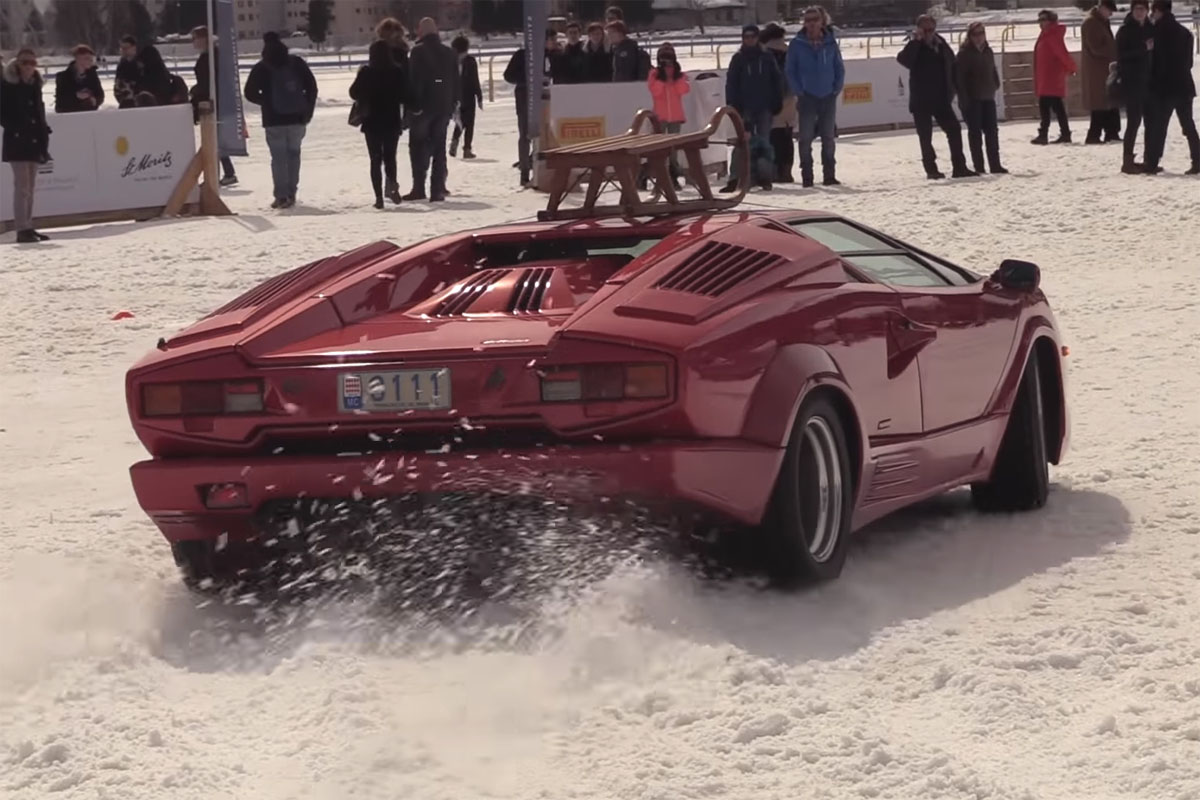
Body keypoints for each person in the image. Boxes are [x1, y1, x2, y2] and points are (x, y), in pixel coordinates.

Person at [244, 32, 318, 209]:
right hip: (297, 118)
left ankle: (281, 196)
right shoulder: (296, 63)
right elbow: (312, 87)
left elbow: (249, 92)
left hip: (273, 119)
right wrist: (307, 110)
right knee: (294, 155)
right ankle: (292, 192)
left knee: (278, 158)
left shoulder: (262, 67)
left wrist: (265, 101)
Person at [897, 15, 973, 179]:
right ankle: (931, 170)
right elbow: (904, 60)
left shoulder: (941, 44)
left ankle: (959, 167)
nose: (929, 33)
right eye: (925, 30)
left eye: (931, 29)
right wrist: (916, 41)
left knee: (954, 129)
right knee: (925, 136)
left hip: (941, 99)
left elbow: (951, 64)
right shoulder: (915, 46)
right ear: (918, 29)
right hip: (921, 101)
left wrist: (955, 88)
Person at [787, 7, 845, 187]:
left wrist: (836, 87)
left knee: (828, 137)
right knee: (805, 138)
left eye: (815, 20)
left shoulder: (830, 42)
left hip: (828, 95)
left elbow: (839, 67)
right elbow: (790, 70)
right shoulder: (797, 44)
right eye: (808, 20)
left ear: (822, 21)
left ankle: (829, 175)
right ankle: (807, 176)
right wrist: (799, 90)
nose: (811, 24)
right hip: (807, 97)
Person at [723, 24, 783, 192]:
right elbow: (731, 84)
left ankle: (765, 178)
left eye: (753, 36)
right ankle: (736, 178)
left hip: (764, 107)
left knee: (764, 143)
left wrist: (777, 102)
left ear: (757, 38)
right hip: (744, 108)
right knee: (743, 143)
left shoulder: (767, 57)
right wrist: (733, 106)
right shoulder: (738, 59)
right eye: (746, 37)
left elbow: (777, 81)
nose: (750, 39)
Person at [1142, 0, 1200, 175]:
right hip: (1184, 85)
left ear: (1158, 11)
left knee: (1159, 127)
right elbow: (1189, 62)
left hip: (1163, 87)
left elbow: (1154, 62)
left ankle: (1152, 162)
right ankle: (1197, 160)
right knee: (1188, 125)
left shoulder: (1155, 33)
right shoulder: (1185, 33)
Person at [405, 17, 459, 202]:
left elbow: (414, 80)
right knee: (439, 147)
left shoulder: (417, 52)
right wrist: (453, 103)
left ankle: (418, 187)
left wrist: (414, 105)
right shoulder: (450, 53)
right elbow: (455, 80)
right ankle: (437, 189)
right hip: (443, 106)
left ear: (421, 32)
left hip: (423, 107)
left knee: (418, 147)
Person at [1, 49, 52, 243]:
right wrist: (16, 127)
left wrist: (43, 132)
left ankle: (28, 225)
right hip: (17, 140)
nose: (29, 66)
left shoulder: (35, 85)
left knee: (30, 187)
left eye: (32, 63)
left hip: (34, 141)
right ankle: (21, 228)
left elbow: (38, 111)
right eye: (25, 63)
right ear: (17, 64)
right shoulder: (8, 85)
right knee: (22, 186)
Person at [350, 40, 407, 209]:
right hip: (392, 121)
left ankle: (378, 198)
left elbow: (353, 93)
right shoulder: (396, 71)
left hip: (372, 122)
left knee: (375, 159)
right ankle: (392, 187)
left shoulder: (366, 72)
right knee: (391, 157)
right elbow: (405, 95)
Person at [503, 28, 557, 187]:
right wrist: (529, 79)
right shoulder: (522, 55)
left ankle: (541, 167)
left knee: (546, 132)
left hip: (547, 96)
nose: (552, 43)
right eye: (550, 40)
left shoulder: (552, 56)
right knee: (526, 132)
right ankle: (524, 171)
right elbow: (508, 75)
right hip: (525, 96)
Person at [956, 22, 1007, 174]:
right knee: (975, 133)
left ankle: (995, 164)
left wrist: (995, 84)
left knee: (992, 132)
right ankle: (979, 166)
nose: (979, 37)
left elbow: (993, 69)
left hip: (988, 97)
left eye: (981, 33)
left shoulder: (988, 51)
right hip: (972, 99)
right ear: (970, 36)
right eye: (975, 34)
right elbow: (959, 79)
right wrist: (964, 99)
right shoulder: (964, 54)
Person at [189, 26, 237, 186]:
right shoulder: (214, 56)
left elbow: (208, 82)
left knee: (214, 139)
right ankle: (225, 172)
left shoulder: (209, 58)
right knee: (215, 139)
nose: (193, 42)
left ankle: (218, 174)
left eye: (195, 38)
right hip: (218, 99)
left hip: (213, 101)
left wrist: (195, 91)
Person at [1115, 0, 1154, 173]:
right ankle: (1127, 160)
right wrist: (1143, 48)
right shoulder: (1125, 31)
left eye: (1143, 9)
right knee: (1133, 122)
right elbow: (1121, 56)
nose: (1140, 12)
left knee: (1151, 123)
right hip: (1132, 83)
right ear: (1132, 11)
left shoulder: (1150, 28)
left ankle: (1149, 159)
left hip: (1150, 82)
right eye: (1137, 9)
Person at [647, 43, 689, 186]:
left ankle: (672, 176)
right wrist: (662, 79)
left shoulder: (679, 74)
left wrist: (675, 77)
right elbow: (655, 92)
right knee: (657, 148)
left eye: (669, 59)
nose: (667, 62)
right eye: (663, 59)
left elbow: (683, 90)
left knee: (673, 149)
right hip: (660, 116)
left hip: (675, 117)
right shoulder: (654, 74)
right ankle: (646, 173)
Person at [1031, 10, 1076, 145]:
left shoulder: (1051, 36)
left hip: (1051, 79)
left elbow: (1062, 54)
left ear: (1051, 21)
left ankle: (1044, 134)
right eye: (1040, 20)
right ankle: (1064, 133)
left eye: (1044, 19)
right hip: (1047, 78)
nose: (1041, 23)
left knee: (1046, 107)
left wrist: (1071, 67)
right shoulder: (1046, 35)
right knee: (1057, 107)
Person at [760, 23, 795, 184]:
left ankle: (773, 171)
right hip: (789, 98)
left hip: (769, 100)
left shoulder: (763, 53)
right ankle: (786, 171)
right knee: (786, 138)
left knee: (772, 138)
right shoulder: (790, 52)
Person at [1081, 0, 1121, 143]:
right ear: (1102, 8)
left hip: (1103, 69)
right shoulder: (1092, 23)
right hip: (1098, 70)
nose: (1110, 14)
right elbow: (1096, 48)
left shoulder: (1099, 22)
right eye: (1109, 10)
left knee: (1106, 101)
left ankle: (1108, 132)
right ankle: (1101, 133)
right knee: (1101, 102)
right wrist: (1115, 51)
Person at [449, 35, 482, 160]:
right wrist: (478, 96)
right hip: (467, 96)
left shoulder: (450, 61)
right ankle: (466, 149)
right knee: (469, 123)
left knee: (460, 121)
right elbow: (475, 80)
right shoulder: (470, 61)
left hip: (457, 96)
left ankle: (455, 142)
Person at [54, 44, 104, 113]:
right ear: (77, 58)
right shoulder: (63, 77)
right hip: (69, 116)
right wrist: (76, 96)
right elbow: (60, 101)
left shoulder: (93, 75)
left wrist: (94, 100)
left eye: (91, 59)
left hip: (90, 115)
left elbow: (100, 95)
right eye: (86, 58)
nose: (90, 61)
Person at [114, 35, 142, 108]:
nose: (124, 51)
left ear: (134, 48)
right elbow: (117, 86)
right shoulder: (121, 65)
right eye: (122, 48)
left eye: (126, 48)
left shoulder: (141, 63)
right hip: (125, 103)